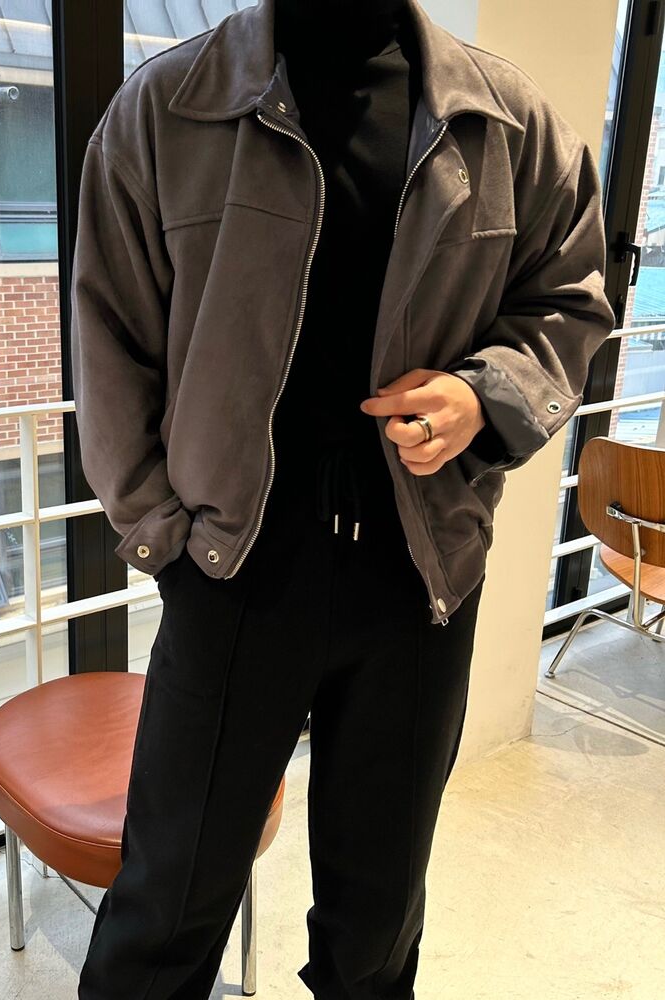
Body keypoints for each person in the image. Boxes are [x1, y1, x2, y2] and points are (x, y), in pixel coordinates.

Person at [68, 0, 616, 996]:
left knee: (377, 926)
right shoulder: (168, 108)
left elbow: (569, 299)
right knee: (163, 911)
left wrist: (483, 395)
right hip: (231, 573)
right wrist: (162, 537)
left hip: (418, 579)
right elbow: (110, 341)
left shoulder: (511, 126)